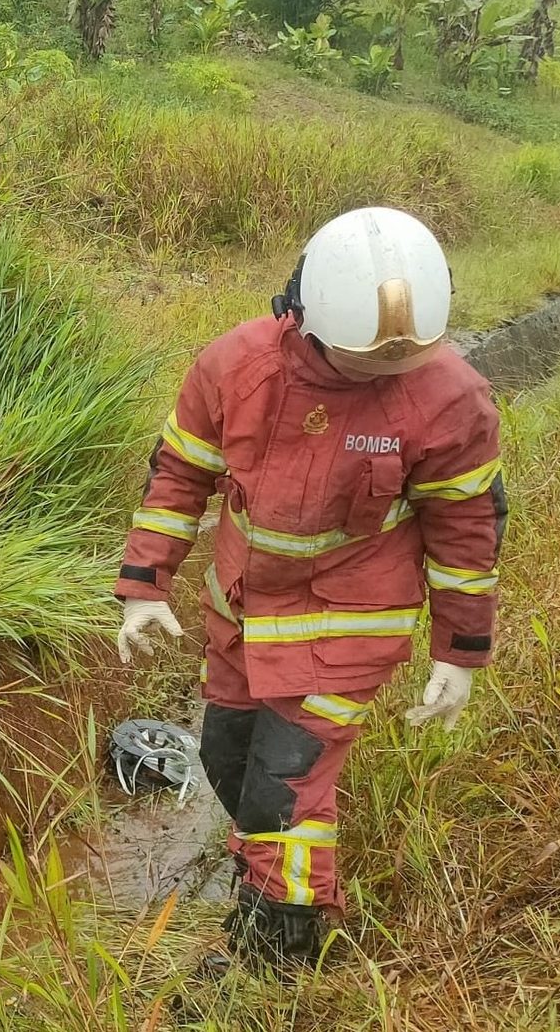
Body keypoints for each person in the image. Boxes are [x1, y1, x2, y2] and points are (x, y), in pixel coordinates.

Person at [114, 207, 505, 972]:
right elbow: (179, 473)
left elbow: (466, 535)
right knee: (228, 761)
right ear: (309, 314)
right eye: (368, 361)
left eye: (404, 360)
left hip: (350, 628)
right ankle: (269, 870)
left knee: (283, 794)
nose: (388, 375)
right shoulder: (236, 366)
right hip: (242, 619)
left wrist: (459, 650)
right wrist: (143, 581)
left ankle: (278, 949)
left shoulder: (452, 399)